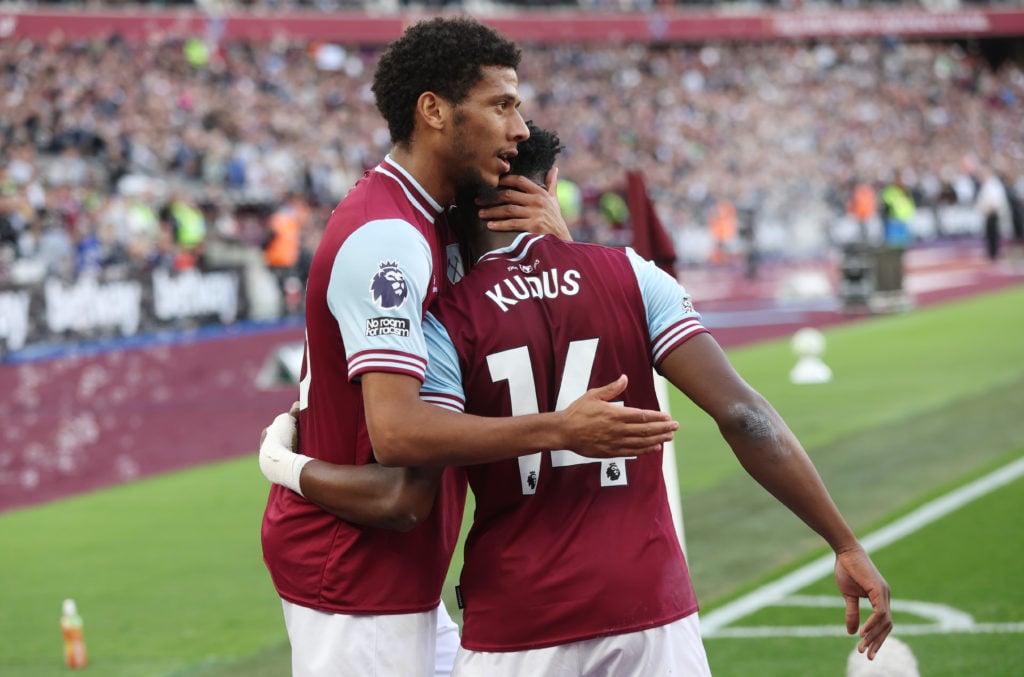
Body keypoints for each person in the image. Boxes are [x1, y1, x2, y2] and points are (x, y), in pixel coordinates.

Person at [262, 123, 893, 675]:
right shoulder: (631, 274)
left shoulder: (444, 319)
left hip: (519, 617)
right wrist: (843, 542)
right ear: (551, 182)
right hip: (650, 606)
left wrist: (287, 466)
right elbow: (746, 416)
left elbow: (409, 464)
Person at [259, 18, 678, 677]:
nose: (518, 128)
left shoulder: (432, 215)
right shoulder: (388, 237)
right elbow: (395, 435)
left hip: (402, 562)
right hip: (354, 571)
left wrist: (558, 240)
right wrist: (561, 429)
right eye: (501, 105)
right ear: (433, 111)